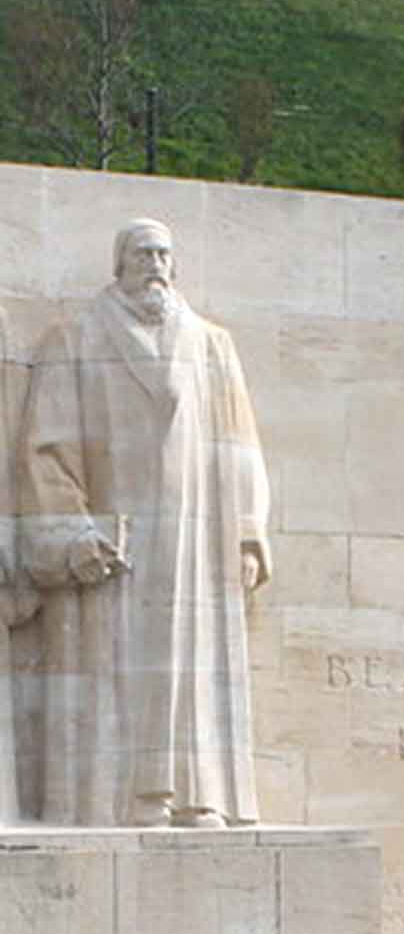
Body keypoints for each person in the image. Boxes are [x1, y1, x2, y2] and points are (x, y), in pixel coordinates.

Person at [16, 218, 271, 826]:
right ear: (119, 264)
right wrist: (72, 531)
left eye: (163, 253)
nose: (154, 263)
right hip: (115, 541)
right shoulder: (74, 339)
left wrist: (248, 533)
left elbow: (240, 448)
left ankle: (194, 795)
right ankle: (122, 800)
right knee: (116, 668)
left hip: (195, 538)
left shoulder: (211, 345)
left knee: (192, 668)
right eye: (141, 253)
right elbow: (44, 448)